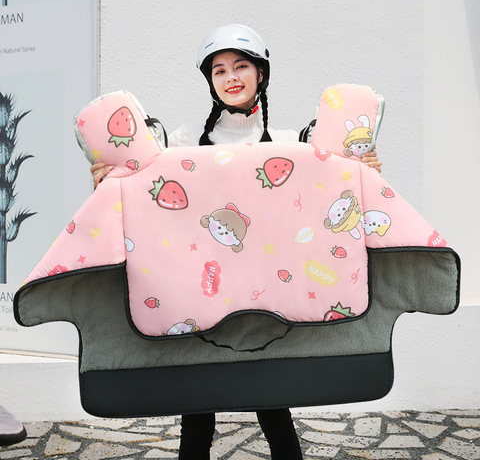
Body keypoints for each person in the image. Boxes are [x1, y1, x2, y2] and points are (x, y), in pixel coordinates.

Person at [90, 24, 382, 460]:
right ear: (210, 81)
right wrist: (107, 180)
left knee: (273, 407)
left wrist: (365, 172)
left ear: (260, 73)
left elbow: (333, 201)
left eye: (240, 66)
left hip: (266, 300)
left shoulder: (292, 144)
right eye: (219, 70)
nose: (230, 77)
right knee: (196, 415)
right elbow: (141, 195)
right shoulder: (181, 141)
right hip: (202, 298)